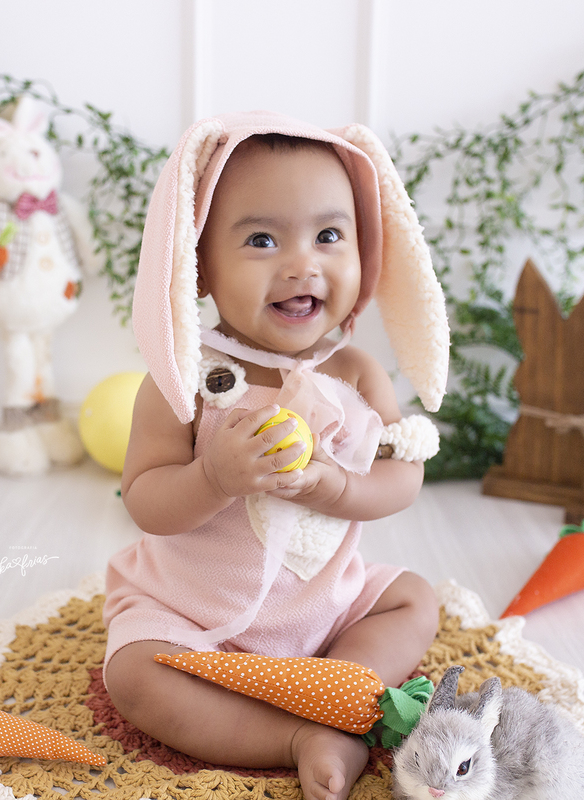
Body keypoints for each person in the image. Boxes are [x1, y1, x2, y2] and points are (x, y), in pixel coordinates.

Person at [103, 111, 451, 800]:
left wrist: (336, 488)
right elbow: (145, 502)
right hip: (195, 621)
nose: (302, 264)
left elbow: (401, 479)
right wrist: (211, 477)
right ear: (198, 267)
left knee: (414, 600)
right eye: (262, 240)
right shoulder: (186, 379)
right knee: (133, 675)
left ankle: (339, 684)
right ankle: (299, 734)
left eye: (329, 236)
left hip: (327, 608)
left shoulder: (357, 374)